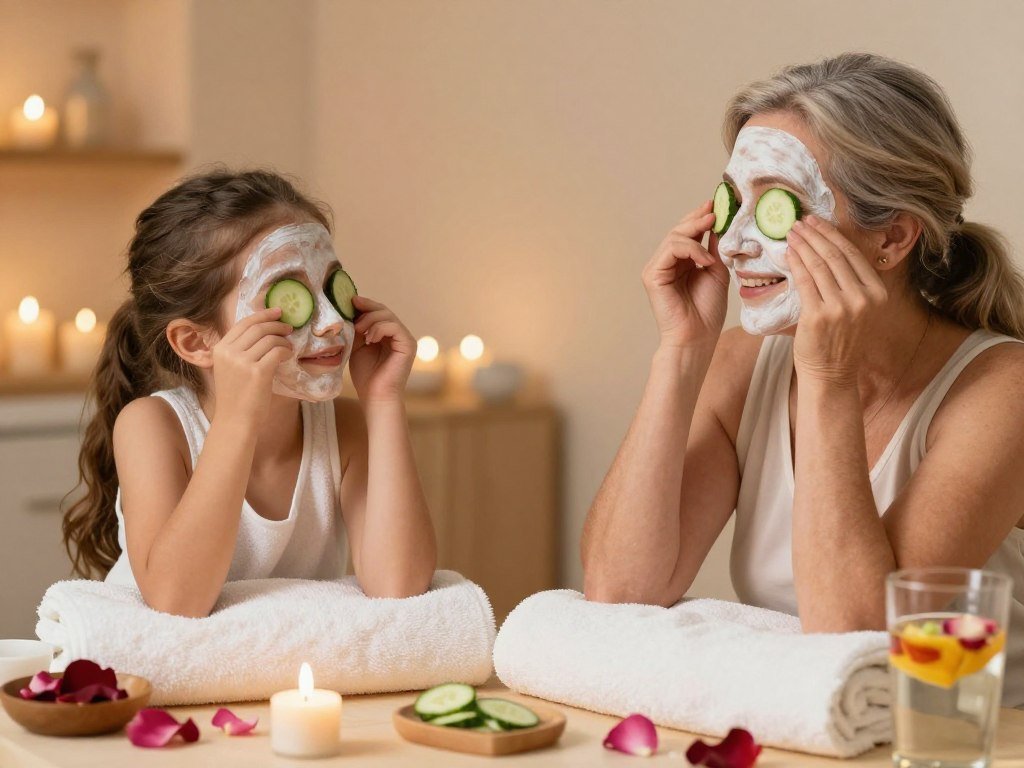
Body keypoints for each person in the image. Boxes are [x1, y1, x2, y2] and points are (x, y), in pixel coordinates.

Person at [580, 53, 1024, 705]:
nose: (730, 245)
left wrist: (826, 379)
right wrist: (681, 353)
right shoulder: (739, 365)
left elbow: (858, 638)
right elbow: (620, 592)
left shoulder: (1003, 388)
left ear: (892, 239)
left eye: (775, 207)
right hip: (818, 732)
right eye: (733, 201)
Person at [63, 169, 437, 617]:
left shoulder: (348, 428)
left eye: (332, 287)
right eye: (291, 296)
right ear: (198, 342)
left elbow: (400, 585)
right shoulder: (153, 427)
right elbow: (178, 602)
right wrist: (239, 418)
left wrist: (383, 401)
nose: (332, 321)